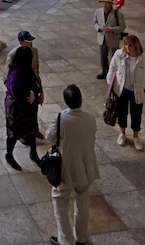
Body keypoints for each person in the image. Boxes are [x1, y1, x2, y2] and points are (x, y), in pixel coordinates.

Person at [46, 84, 99, 245]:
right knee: (82, 202)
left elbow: (49, 136)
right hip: (86, 168)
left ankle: (65, 241)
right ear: (81, 101)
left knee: (60, 201)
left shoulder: (61, 118)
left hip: (66, 170)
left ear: (65, 101)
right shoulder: (91, 119)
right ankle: (80, 238)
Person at [107, 35, 145, 151]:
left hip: (136, 92)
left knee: (136, 114)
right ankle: (122, 134)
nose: (128, 47)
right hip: (122, 90)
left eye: (130, 45)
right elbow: (112, 68)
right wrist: (110, 84)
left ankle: (136, 136)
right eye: (126, 44)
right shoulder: (119, 54)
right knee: (121, 112)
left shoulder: (144, 59)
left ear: (136, 46)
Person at [4, 46, 40, 170]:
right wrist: (27, 93)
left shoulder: (25, 69)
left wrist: (38, 92)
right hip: (16, 108)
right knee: (13, 132)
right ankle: (9, 155)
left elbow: (34, 81)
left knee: (31, 129)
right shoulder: (15, 72)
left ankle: (34, 153)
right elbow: (14, 88)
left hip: (27, 107)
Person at [7, 31, 44, 140]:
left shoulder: (34, 51)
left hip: (32, 86)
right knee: (22, 114)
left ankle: (34, 131)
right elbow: (8, 77)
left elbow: (36, 71)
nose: (31, 44)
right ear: (21, 42)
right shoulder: (13, 54)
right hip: (21, 90)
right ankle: (23, 135)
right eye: (28, 42)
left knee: (34, 111)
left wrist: (40, 90)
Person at [93, 0, 126, 80]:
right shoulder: (97, 12)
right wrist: (99, 28)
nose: (104, 5)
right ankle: (104, 72)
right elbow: (94, 23)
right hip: (102, 38)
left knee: (114, 57)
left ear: (110, 4)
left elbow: (122, 27)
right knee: (103, 57)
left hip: (112, 39)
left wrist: (112, 29)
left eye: (106, 3)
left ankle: (114, 74)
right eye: (102, 3)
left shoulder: (118, 14)